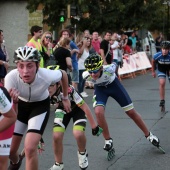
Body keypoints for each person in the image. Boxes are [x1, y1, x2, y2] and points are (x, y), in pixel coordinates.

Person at [83, 53, 162, 159]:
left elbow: (116, 61)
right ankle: (108, 140)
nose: (92, 74)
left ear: (101, 67)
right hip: (100, 90)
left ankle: (149, 135)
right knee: (98, 112)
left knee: (131, 112)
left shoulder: (109, 69)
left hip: (114, 86)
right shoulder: (85, 75)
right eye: (90, 71)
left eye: (95, 71)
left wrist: (117, 58)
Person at [5, 46, 71, 170]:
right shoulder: (11, 78)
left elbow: (63, 74)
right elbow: (11, 116)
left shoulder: (46, 75)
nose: (25, 71)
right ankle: (16, 162)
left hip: (39, 106)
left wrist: (65, 97)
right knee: (10, 151)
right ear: (16, 66)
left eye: (30, 66)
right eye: (21, 66)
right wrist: (14, 102)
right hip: (20, 106)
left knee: (30, 148)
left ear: (37, 66)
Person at [47, 65, 103, 170]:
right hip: (62, 110)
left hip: (77, 109)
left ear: (59, 83)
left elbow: (85, 107)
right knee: (56, 136)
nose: (48, 89)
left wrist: (94, 126)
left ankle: (82, 153)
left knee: (78, 133)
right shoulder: (44, 92)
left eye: (50, 85)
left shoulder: (69, 90)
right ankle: (58, 164)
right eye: (46, 85)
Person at [0, 85, 17, 170]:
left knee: (1, 162)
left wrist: (65, 97)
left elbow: (11, 117)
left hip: (5, 117)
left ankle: (16, 162)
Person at [152, 41, 170, 109]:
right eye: (163, 49)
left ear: (169, 49)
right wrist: (153, 71)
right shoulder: (157, 55)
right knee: (162, 83)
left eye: (166, 49)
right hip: (161, 68)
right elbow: (153, 61)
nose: (164, 51)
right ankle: (162, 100)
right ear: (161, 49)